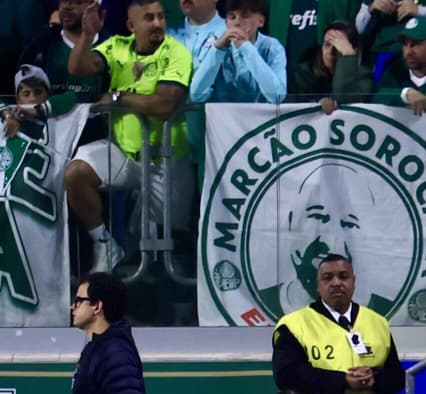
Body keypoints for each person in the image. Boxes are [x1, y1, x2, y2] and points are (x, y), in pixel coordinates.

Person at [64, 0, 196, 274]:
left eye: (160, 17)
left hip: (166, 161)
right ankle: (104, 243)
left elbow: (165, 105)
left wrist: (118, 97)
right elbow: (78, 68)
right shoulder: (117, 46)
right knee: (76, 173)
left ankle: (169, 309)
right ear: (131, 26)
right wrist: (87, 37)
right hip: (123, 153)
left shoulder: (176, 53)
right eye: (149, 18)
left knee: (165, 246)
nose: (158, 23)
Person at [271, 254, 407, 394]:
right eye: (327, 277)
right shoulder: (294, 325)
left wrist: (374, 378)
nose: (336, 282)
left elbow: (397, 377)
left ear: (354, 281)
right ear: (318, 285)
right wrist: (343, 381)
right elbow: (287, 376)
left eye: (343, 276)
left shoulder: (377, 323)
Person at [23, 272, 148, 394]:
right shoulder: (96, 347)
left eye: (79, 300)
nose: (73, 306)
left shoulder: (115, 351)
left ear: (97, 306)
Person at [190, 0, 288, 103]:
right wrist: (217, 51)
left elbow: (277, 97)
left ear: (261, 21)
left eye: (245, 16)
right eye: (232, 17)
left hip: (262, 118)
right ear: (226, 23)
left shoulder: (272, 47)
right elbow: (196, 96)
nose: (237, 22)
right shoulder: (214, 45)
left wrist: (246, 47)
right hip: (221, 117)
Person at [18, 0, 110, 102]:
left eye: (77, 2)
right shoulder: (40, 44)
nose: (67, 7)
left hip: (99, 116)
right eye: (63, 1)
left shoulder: (111, 46)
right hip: (50, 116)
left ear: (95, 7)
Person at [285, 20, 375, 113]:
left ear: (353, 50)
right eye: (327, 45)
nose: (331, 51)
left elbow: (346, 101)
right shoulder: (303, 73)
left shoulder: (363, 76)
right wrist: (316, 103)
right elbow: (290, 107)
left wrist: (347, 56)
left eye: (338, 46)